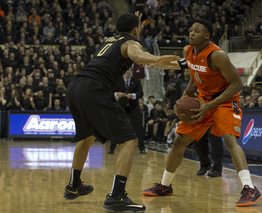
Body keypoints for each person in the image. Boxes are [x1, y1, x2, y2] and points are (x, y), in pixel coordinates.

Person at [63, 12, 180, 212]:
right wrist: (159, 58)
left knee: (87, 135)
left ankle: (74, 186)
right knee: (129, 140)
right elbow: (136, 55)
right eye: (140, 26)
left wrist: (132, 22)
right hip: (93, 88)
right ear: (136, 29)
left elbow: (141, 56)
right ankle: (116, 196)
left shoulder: (111, 39)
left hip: (76, 86)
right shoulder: (131, 41)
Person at [142, 19, 262, 207]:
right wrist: (184, 96)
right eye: (190, 30)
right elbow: (195, 77)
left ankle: (249, 188)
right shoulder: (187, 51)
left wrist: (210, 105)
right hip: (203, 100)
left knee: (230, 140)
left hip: (226, 100)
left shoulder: (217, 55)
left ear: (207, 35)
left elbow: (237, 84)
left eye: (196, 31)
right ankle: (165, 185)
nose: (191, 33)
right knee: (180, 140)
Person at [109, 68, 147, 154]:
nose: (127, 71)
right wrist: (116, 94)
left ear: (131, 71)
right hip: (121, 107)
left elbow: (141, 93)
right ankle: (112, 148)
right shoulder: (118, 81)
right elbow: (111, 92)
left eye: (129, 70)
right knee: (116, 127)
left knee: (139, 128)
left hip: (133, 107)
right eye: (126, 70)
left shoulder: (136, 81)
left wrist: (133, 95)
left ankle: (142, 148)